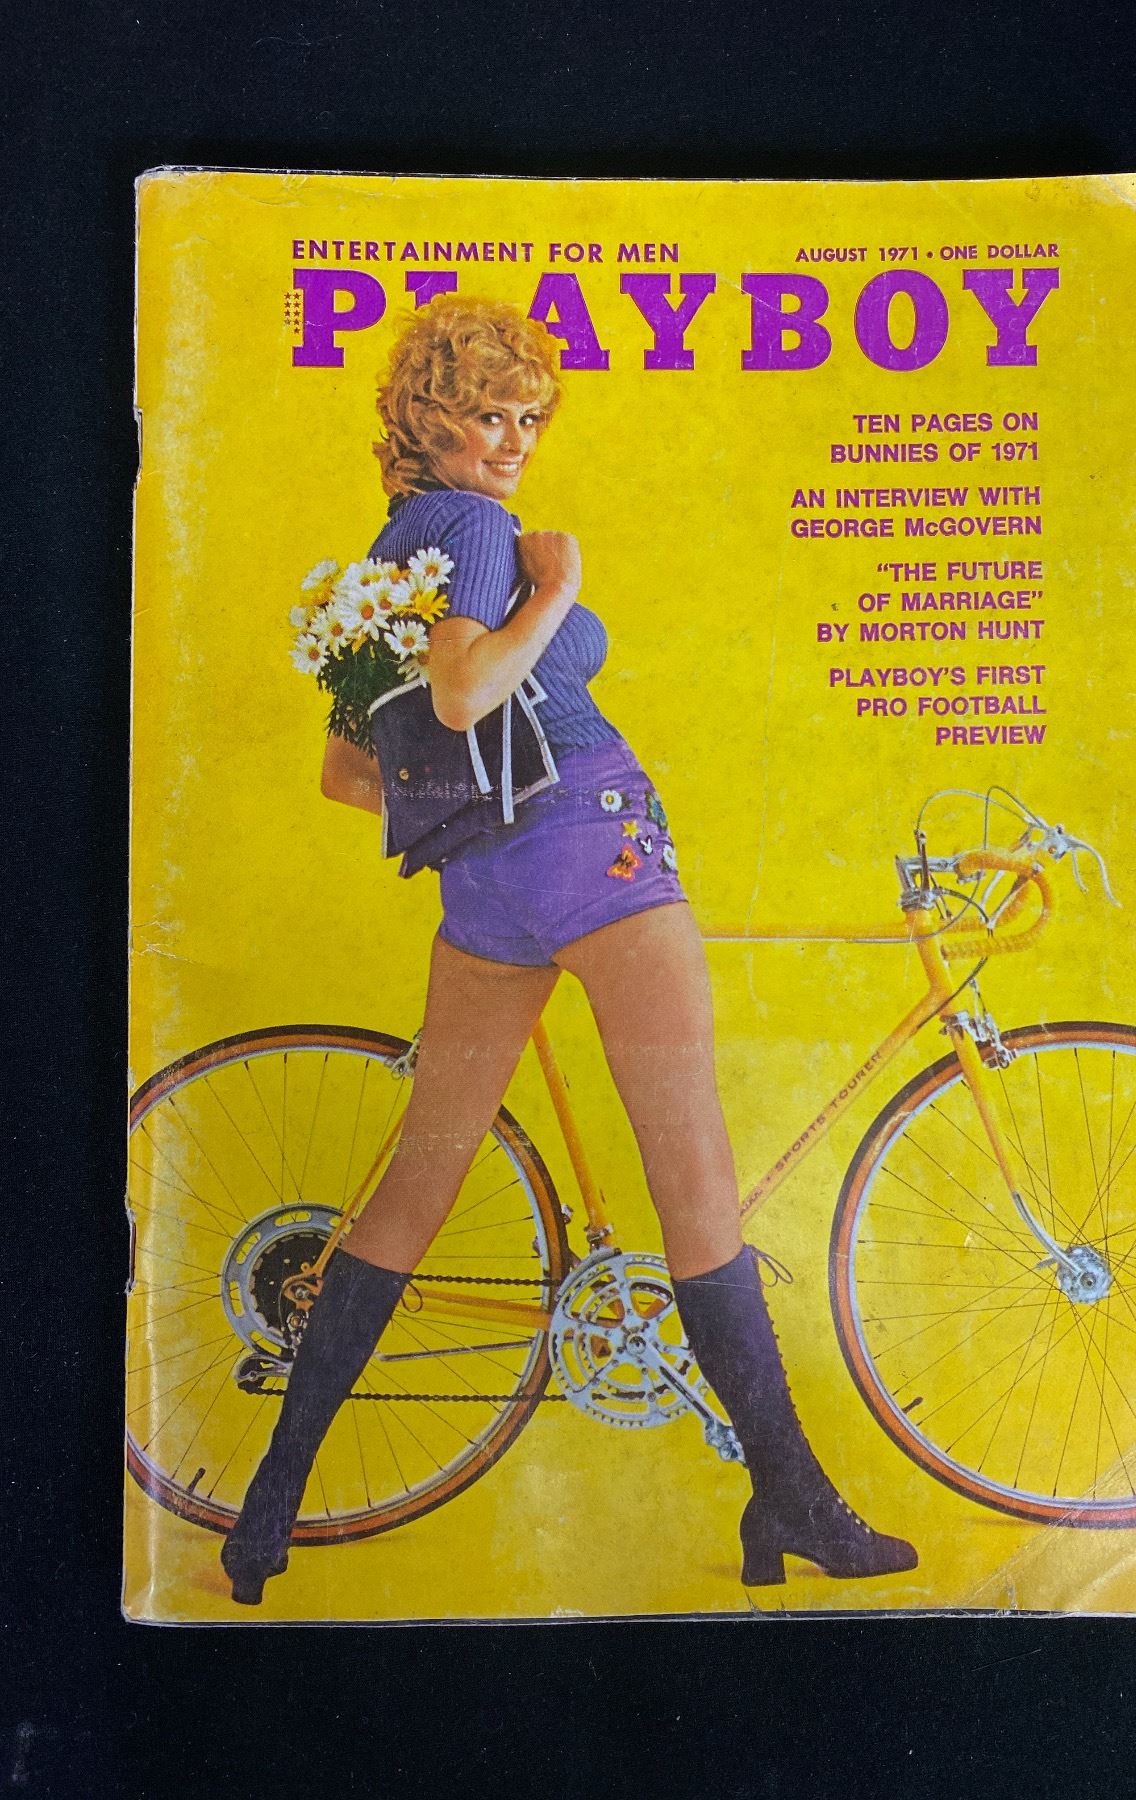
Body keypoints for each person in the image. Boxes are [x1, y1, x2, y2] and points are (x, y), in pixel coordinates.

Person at [221, 294, 918, 1605]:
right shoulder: (479, 533)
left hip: (487, 896)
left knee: (411, 1191)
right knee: (695, 1184)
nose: (513, 441)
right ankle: (792, 1496)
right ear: (429, 418)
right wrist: (558, 593)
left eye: (528, 418)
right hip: (597, 853)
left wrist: (478, 812)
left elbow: (346, 774)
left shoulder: (387, 556)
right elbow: (465, 694)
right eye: (487, 414)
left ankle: (266, 1513)